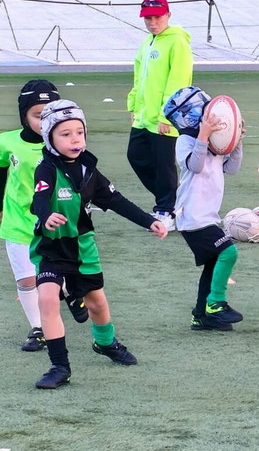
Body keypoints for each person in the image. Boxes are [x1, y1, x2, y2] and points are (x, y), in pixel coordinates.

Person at [30, 100, 168, 389]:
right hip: (52, 248)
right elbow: (39, 199)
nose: (75, 139)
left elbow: (116, 200)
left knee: (97, 303)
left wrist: (149, 221)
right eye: (65, 134)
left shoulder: (89, 171)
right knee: (46, 299)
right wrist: (46, 216)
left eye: (79, 132)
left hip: (83, 249)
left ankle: (105, 342)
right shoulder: (46, 169)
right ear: (49, 138)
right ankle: (60, 367)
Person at [0, 80, 89, 352]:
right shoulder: (7, 142)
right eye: (38, 115)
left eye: (50, 114)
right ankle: (38, 328)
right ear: (24, 116)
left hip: (55, 223)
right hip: (18, 221)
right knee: (27, 280)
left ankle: (71, 291)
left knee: (55, 276)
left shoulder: (65, 144)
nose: (44, 121)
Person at [163, 86, 244, 331]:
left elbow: (231, 169)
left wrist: (237, 141)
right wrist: (203, 136)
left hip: (207, 215)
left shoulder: (214, 145)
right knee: (228, 252)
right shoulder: (185, 141)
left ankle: (201, 316)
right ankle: (216, 303)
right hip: (192, 215)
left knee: (213, 263)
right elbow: (195, 166)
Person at [127, 0, 193, 231]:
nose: (153, 22)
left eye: (157, 17)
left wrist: (167, 116)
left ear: (168, 15)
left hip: (164, 119)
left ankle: (166, 210)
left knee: (164, 166)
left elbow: (178, 80)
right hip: (144, 117)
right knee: (135, 156)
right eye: (148, 18)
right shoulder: (148, 42)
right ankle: (174, 202)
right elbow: (139, 78)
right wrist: (134, 107)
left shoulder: (178, 42)